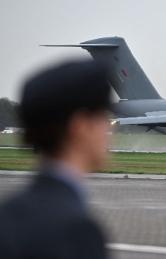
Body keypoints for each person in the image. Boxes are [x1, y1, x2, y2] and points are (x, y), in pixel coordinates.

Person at [0, 60, 112, 259]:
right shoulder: (77, 230)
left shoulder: (8, 214)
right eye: (103, 117)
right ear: (80, 126)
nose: (110, 128)